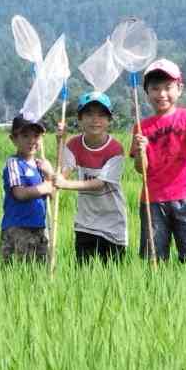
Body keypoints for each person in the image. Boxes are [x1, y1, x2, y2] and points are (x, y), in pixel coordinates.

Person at [129, 58, 186, 273]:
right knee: (155, 259)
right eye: (155, 88)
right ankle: (156, 296)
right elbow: (141, 169)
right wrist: (141, 150)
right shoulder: (141, 127)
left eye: (168, 87)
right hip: (153, 199)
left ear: (179, 88)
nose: (161, 94)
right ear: (146, 92)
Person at [56, 91, 128, 264]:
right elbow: (63, 171)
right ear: (80, 119)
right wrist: (60, 142)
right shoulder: (73, 144)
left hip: (113, 222)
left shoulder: (115, 149)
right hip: (85, 222)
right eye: (89, 114)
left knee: (113, 274)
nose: (95, 119)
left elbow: (100, 184)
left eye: (101, 115)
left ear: (109, 120)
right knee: (83, 273)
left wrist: (65, 184)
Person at [0, 115, 58, 266]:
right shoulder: (14, 163)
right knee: (18, 275)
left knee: (38, 276)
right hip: (18, 229)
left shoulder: (41, 165)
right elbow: (19, 193)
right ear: (13, 139)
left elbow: (53, 194)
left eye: (36, 136)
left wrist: (50, 174)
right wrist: (45, 187)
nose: (31, 140)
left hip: (39, 228)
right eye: (25, 136)